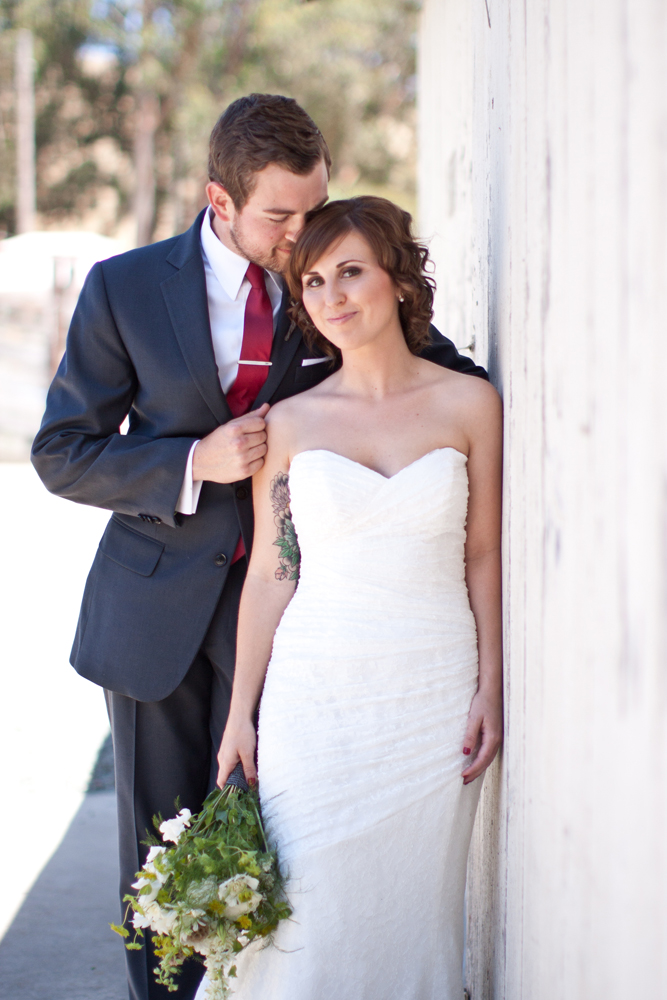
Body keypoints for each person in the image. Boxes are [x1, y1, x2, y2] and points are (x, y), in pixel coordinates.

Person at [31, 95, 488, 1000]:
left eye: (312, 209)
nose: (299, 238)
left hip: (306, 617)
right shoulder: (124, 288)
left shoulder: (326, 272)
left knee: (282, 836)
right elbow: (62, 452)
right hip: (156, 610)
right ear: (220, 201)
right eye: (280, 216)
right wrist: (188, 462)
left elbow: (429, 371)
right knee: (168, 849)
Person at [214, 196, 503, 1000]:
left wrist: (491, 685)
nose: (333, 297)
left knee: (406, 913)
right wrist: (242, 714)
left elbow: (482, 556)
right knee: (307, 910)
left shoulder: (470, 405)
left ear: (399, 283)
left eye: (351, 273)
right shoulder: (292, 424)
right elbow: (273, 572)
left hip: (429, 694)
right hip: (315, 698)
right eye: (313, 282)